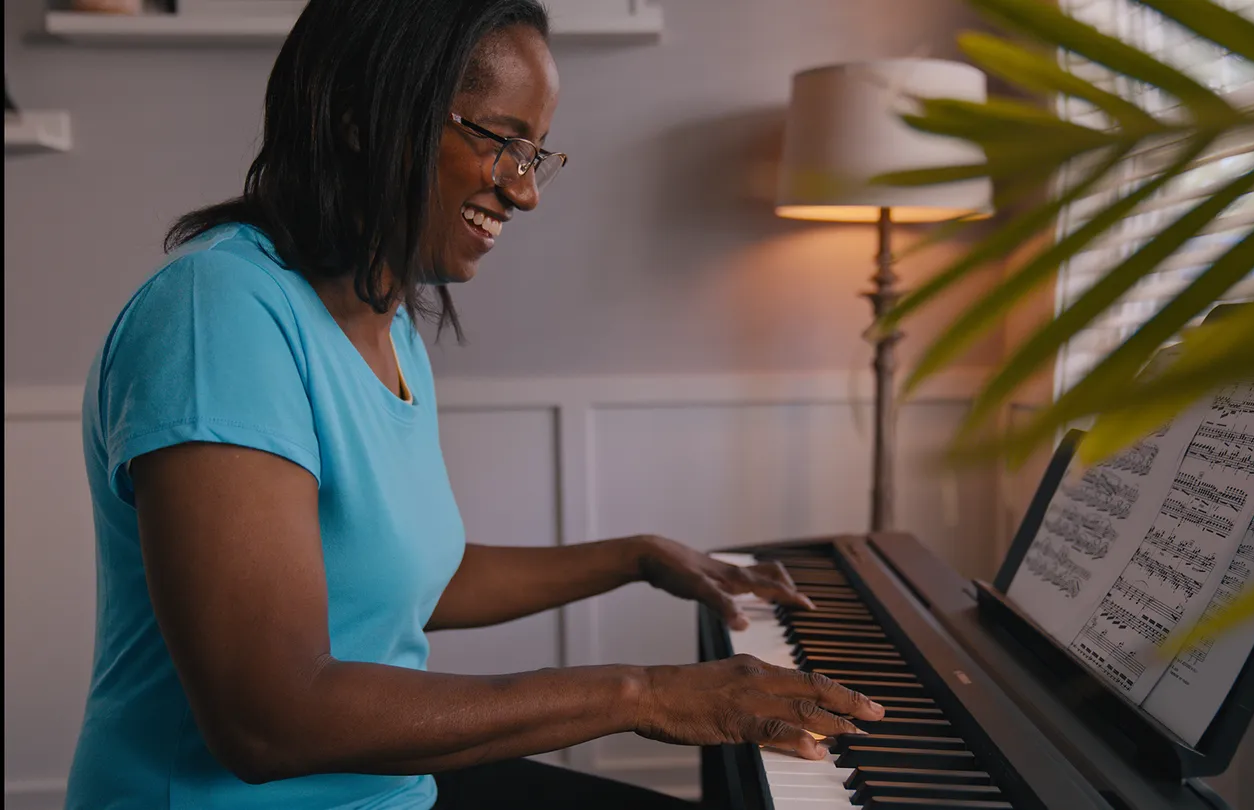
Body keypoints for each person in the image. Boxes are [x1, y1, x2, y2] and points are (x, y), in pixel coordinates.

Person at [64, 1, 885, 808]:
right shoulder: (220, 315)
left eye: (537, 154)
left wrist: (636, 555)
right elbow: (271, 721)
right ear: (359, 117)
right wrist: (643, 693)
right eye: (503, 141)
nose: (524, 192)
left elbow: (406, 570)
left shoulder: (383, 321)